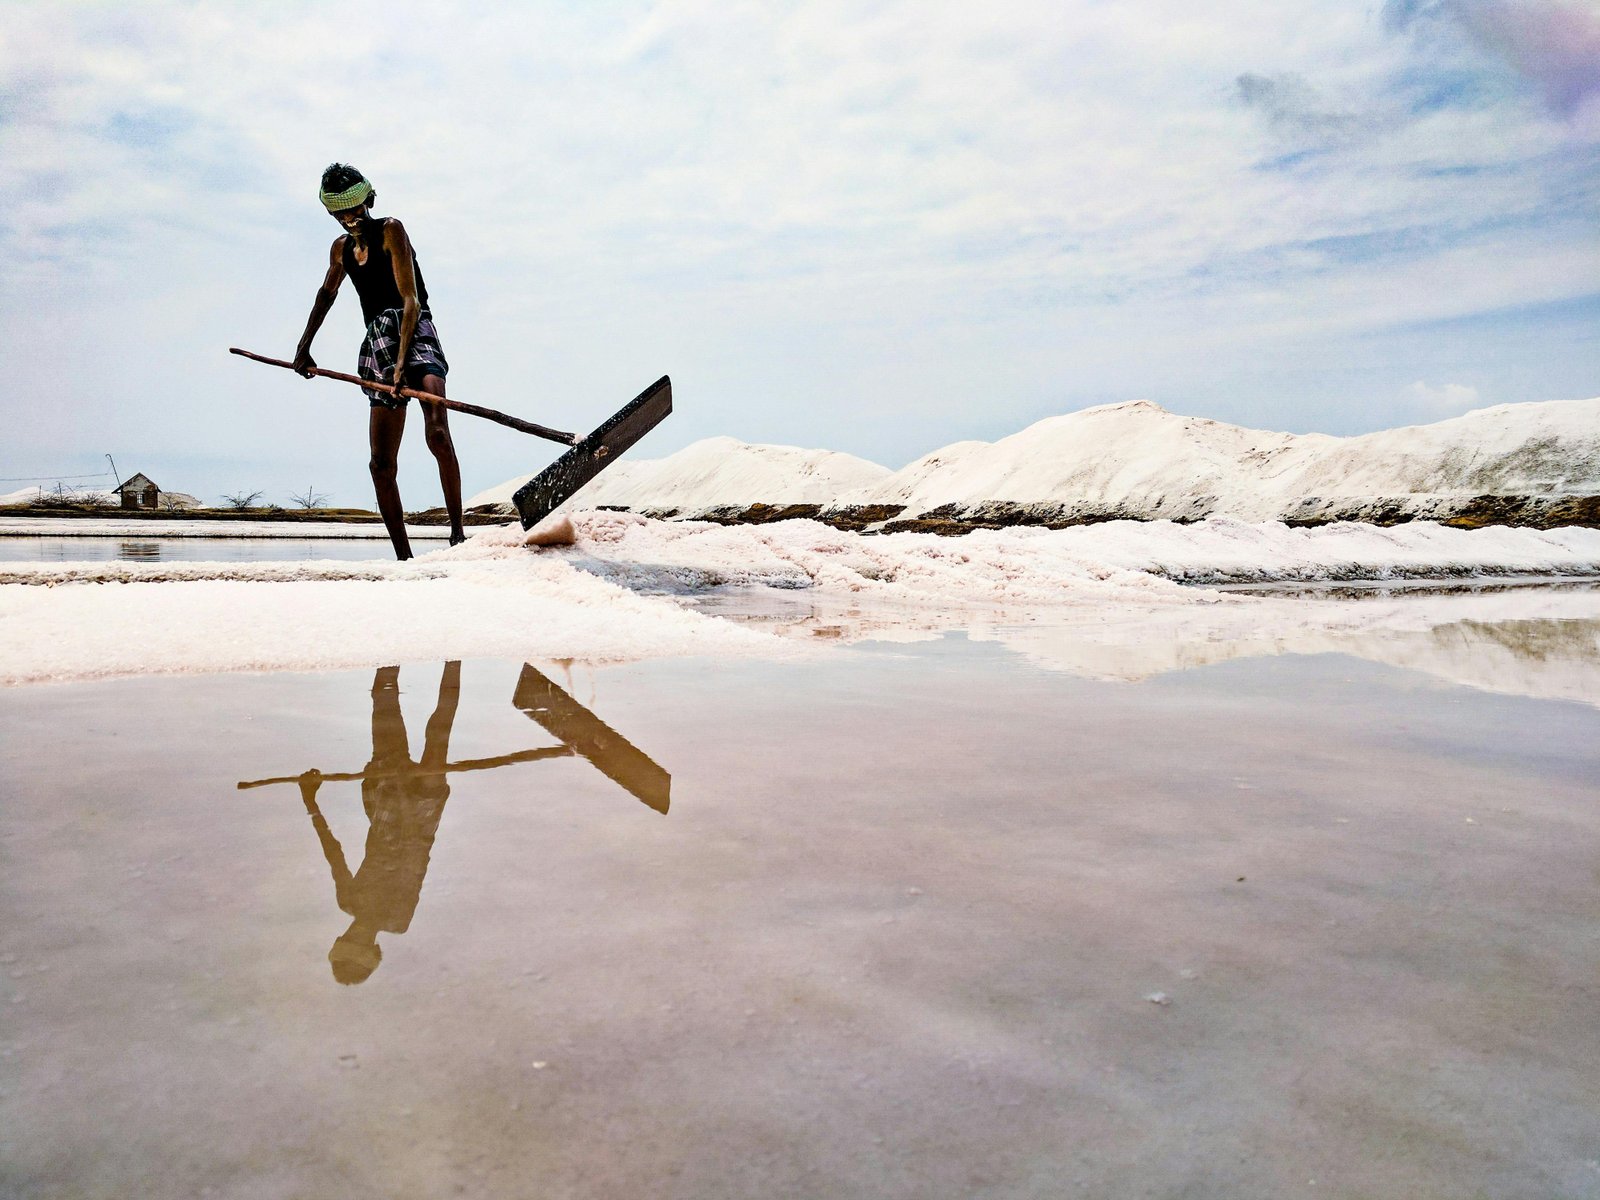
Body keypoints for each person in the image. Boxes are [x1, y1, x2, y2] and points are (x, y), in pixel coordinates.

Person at [292, 163, 465, 558]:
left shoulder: (391, 229)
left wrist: (404, 363)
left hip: (415, 333)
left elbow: (410, 299)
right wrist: (303, 347)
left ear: (368, 200)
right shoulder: (340, 249)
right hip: (377, 345)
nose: (349, 218)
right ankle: (404, 557)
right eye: (339, 212)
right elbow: (326, 295)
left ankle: (457, 535)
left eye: (354, 208)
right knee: (380, 464)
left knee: (437, 433)